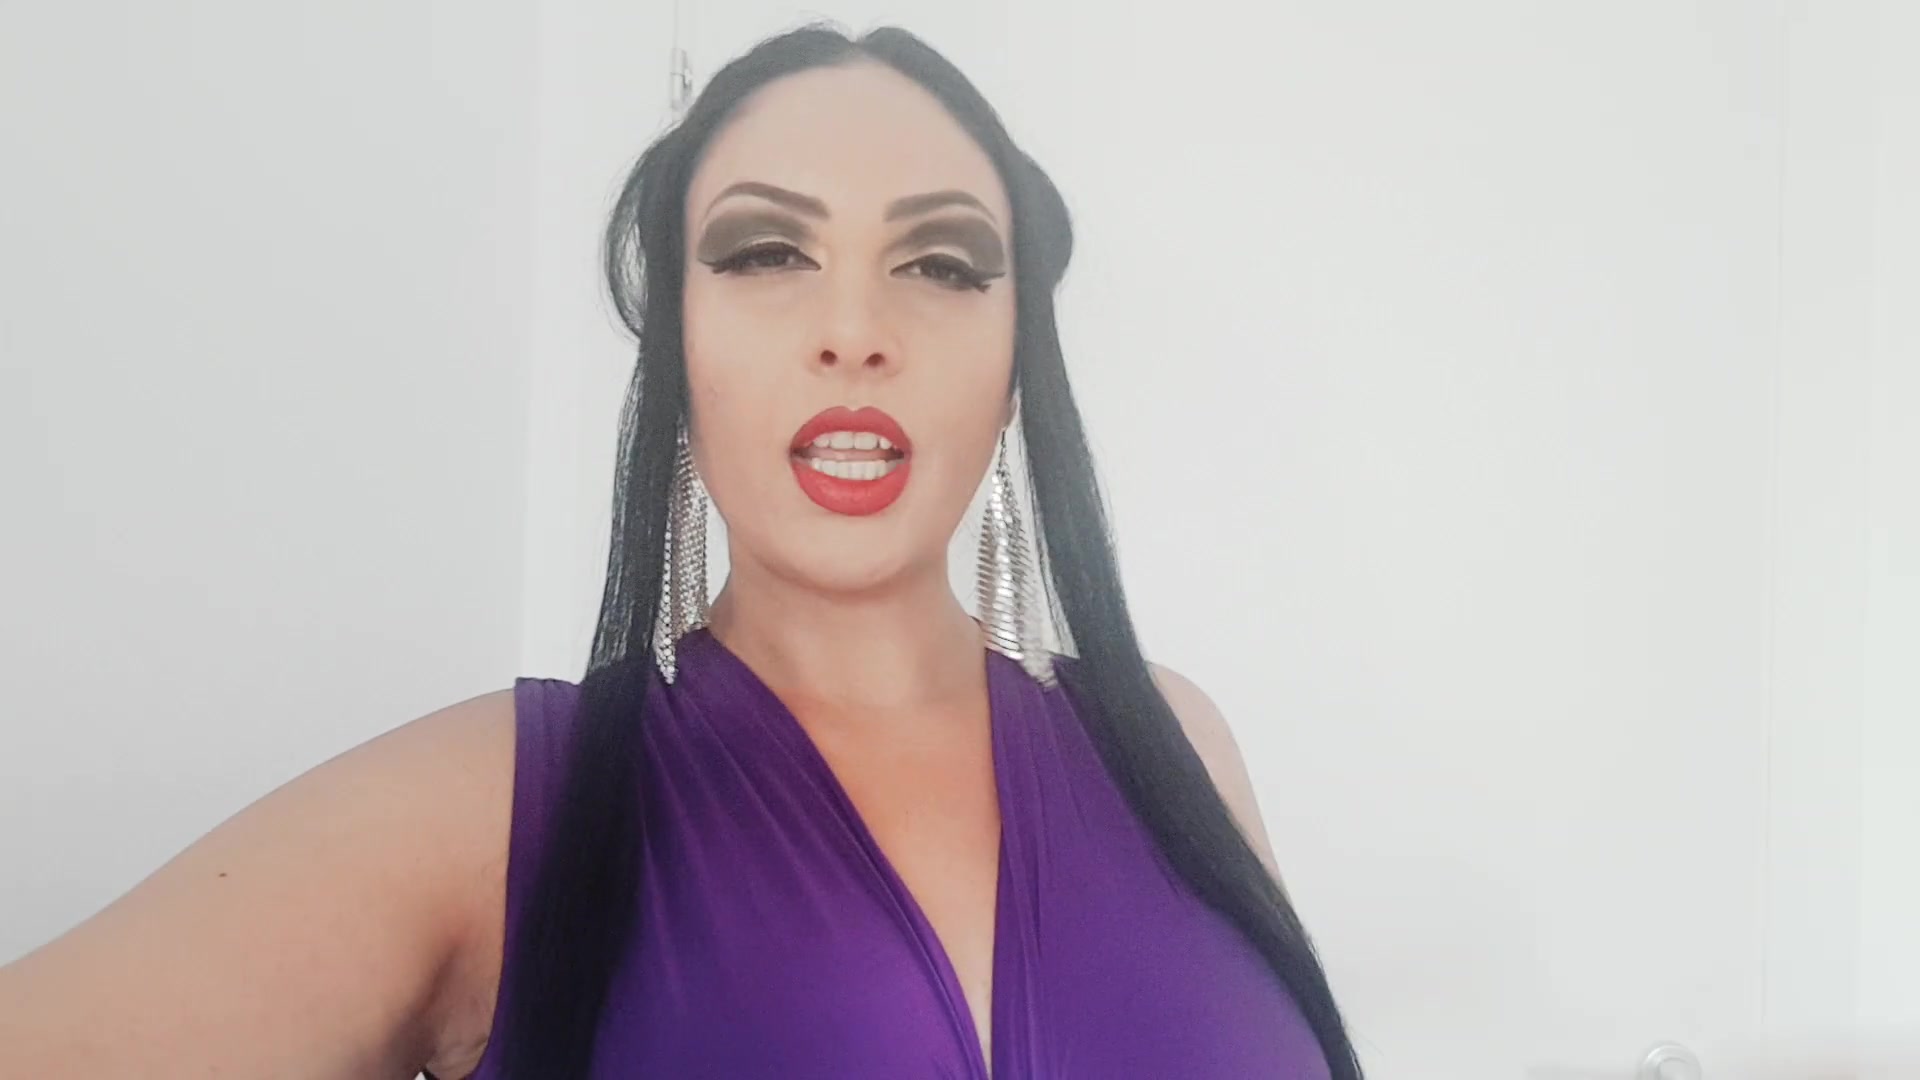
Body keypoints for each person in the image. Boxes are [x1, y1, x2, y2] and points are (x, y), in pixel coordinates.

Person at [0, 24, 1362, 1080]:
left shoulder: (1173, 744)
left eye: (942, 264)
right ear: (675, 353)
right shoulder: (497, 806)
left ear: (1016, 365)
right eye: (765, 253)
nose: (854, 331)